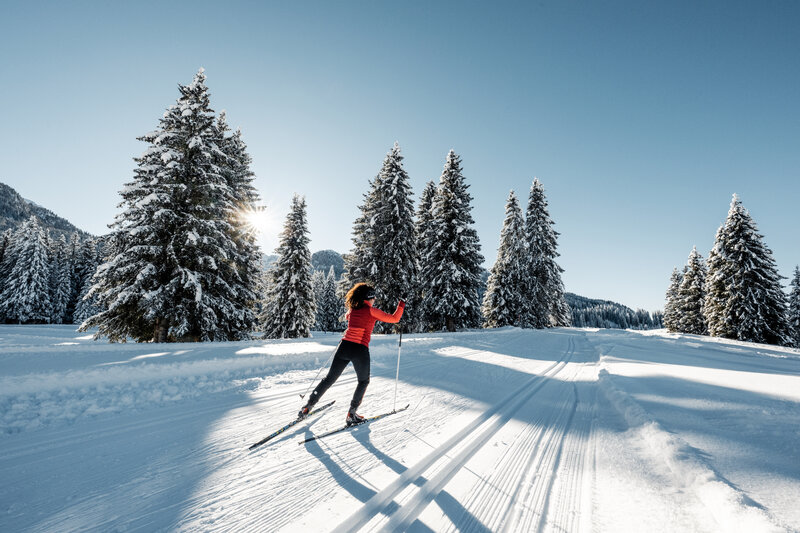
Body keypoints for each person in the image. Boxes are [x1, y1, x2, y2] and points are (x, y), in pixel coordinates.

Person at [299, 282, 405, 426]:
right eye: (374, 298)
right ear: (369, 298)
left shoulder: (352, 310)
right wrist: (402, 304)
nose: (375, 300)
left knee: (329, 379)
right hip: (359, 349)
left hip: (344, 346)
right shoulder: (371, 311)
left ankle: (308, 406)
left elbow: (349, 317)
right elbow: (394, 319)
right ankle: (351, 414)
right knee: (363, 381)